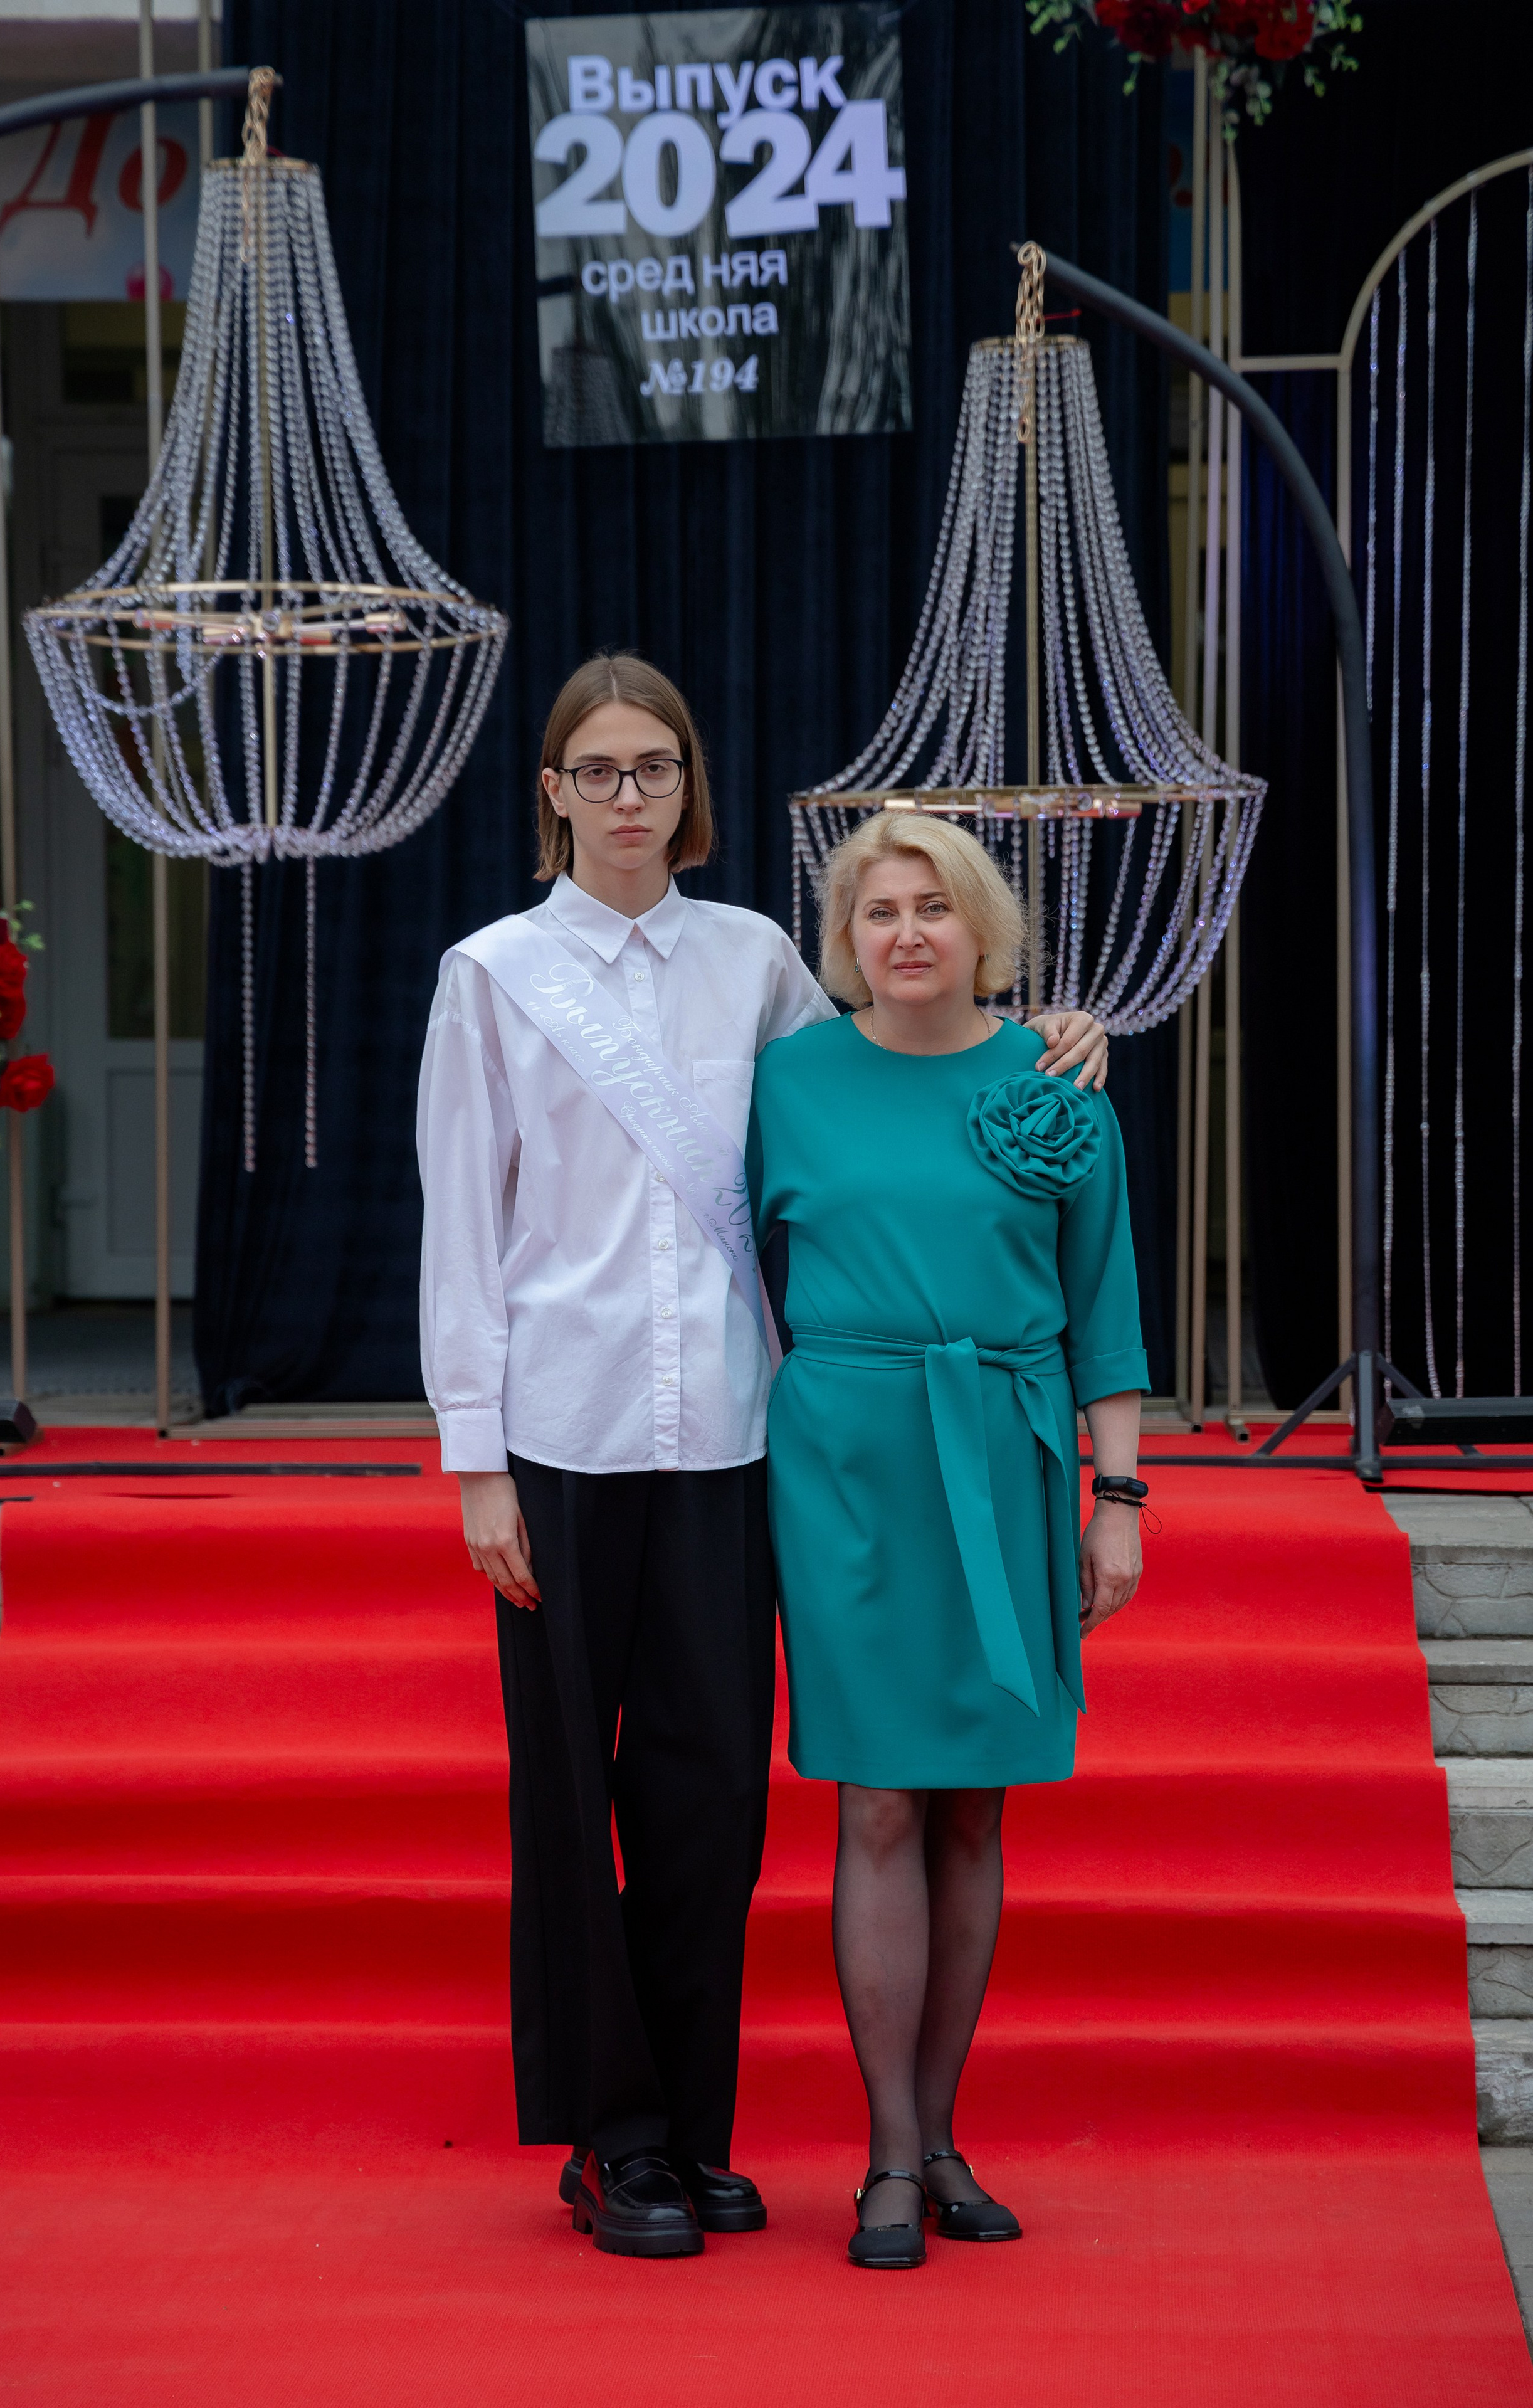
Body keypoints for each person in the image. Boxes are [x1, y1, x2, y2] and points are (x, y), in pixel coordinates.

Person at [416, 652, 1109, 2259]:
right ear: (553, 792)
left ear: (690, 788)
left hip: (732, 1433)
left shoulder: (752, 963)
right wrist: (474, 1461)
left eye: (655, 767)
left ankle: (694, 2134)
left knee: (713, 1793)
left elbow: (894, 1067)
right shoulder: (493, 975)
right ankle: (611, 2143)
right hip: (562, 1430)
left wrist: (1049, 1035)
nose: (629, 796)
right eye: (599, 771)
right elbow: (461, 1228)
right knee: (567, 1793)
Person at [747, 809, 1146, 2270]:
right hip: (844, 1465)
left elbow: (1103, 1308)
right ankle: (884, 2154)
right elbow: (719, 1264)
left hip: (1005, 1447)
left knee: (974, 1806)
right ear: (844, 940)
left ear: (982, 928)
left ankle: (940, 2139)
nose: (905, 933)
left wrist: (1117, 1502)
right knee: (875, 1803)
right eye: (877, 912)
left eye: (931, 907)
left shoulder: (1056, 1082)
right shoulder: (785, 1081)